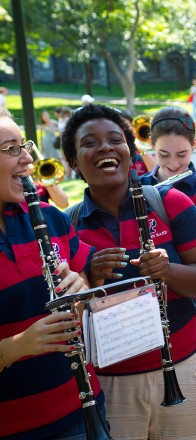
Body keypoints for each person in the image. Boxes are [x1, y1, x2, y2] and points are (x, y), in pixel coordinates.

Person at [60, 104, 196, 440]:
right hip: (110, 383)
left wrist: (169, 270)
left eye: (115, 139)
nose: (104, 147)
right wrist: (94, 280)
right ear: (73, 162)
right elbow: (68, 314)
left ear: (130, 151)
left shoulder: (172, 202)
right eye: (89, 143)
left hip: (185, 368)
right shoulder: (67, 226)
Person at [0, 107, 104, 439]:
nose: (27, 159)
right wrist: (17, 346)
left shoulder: (49, 218)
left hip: (83, 409)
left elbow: (86, 285)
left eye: (24, 145)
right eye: (11, 149)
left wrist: (81, 285)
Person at [139, 107, 196, 362]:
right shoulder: (137, 187)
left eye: (182, 155)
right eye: (163, 155)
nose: (174, 165)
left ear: (194, 146)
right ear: (151, 145)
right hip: (147, 304)